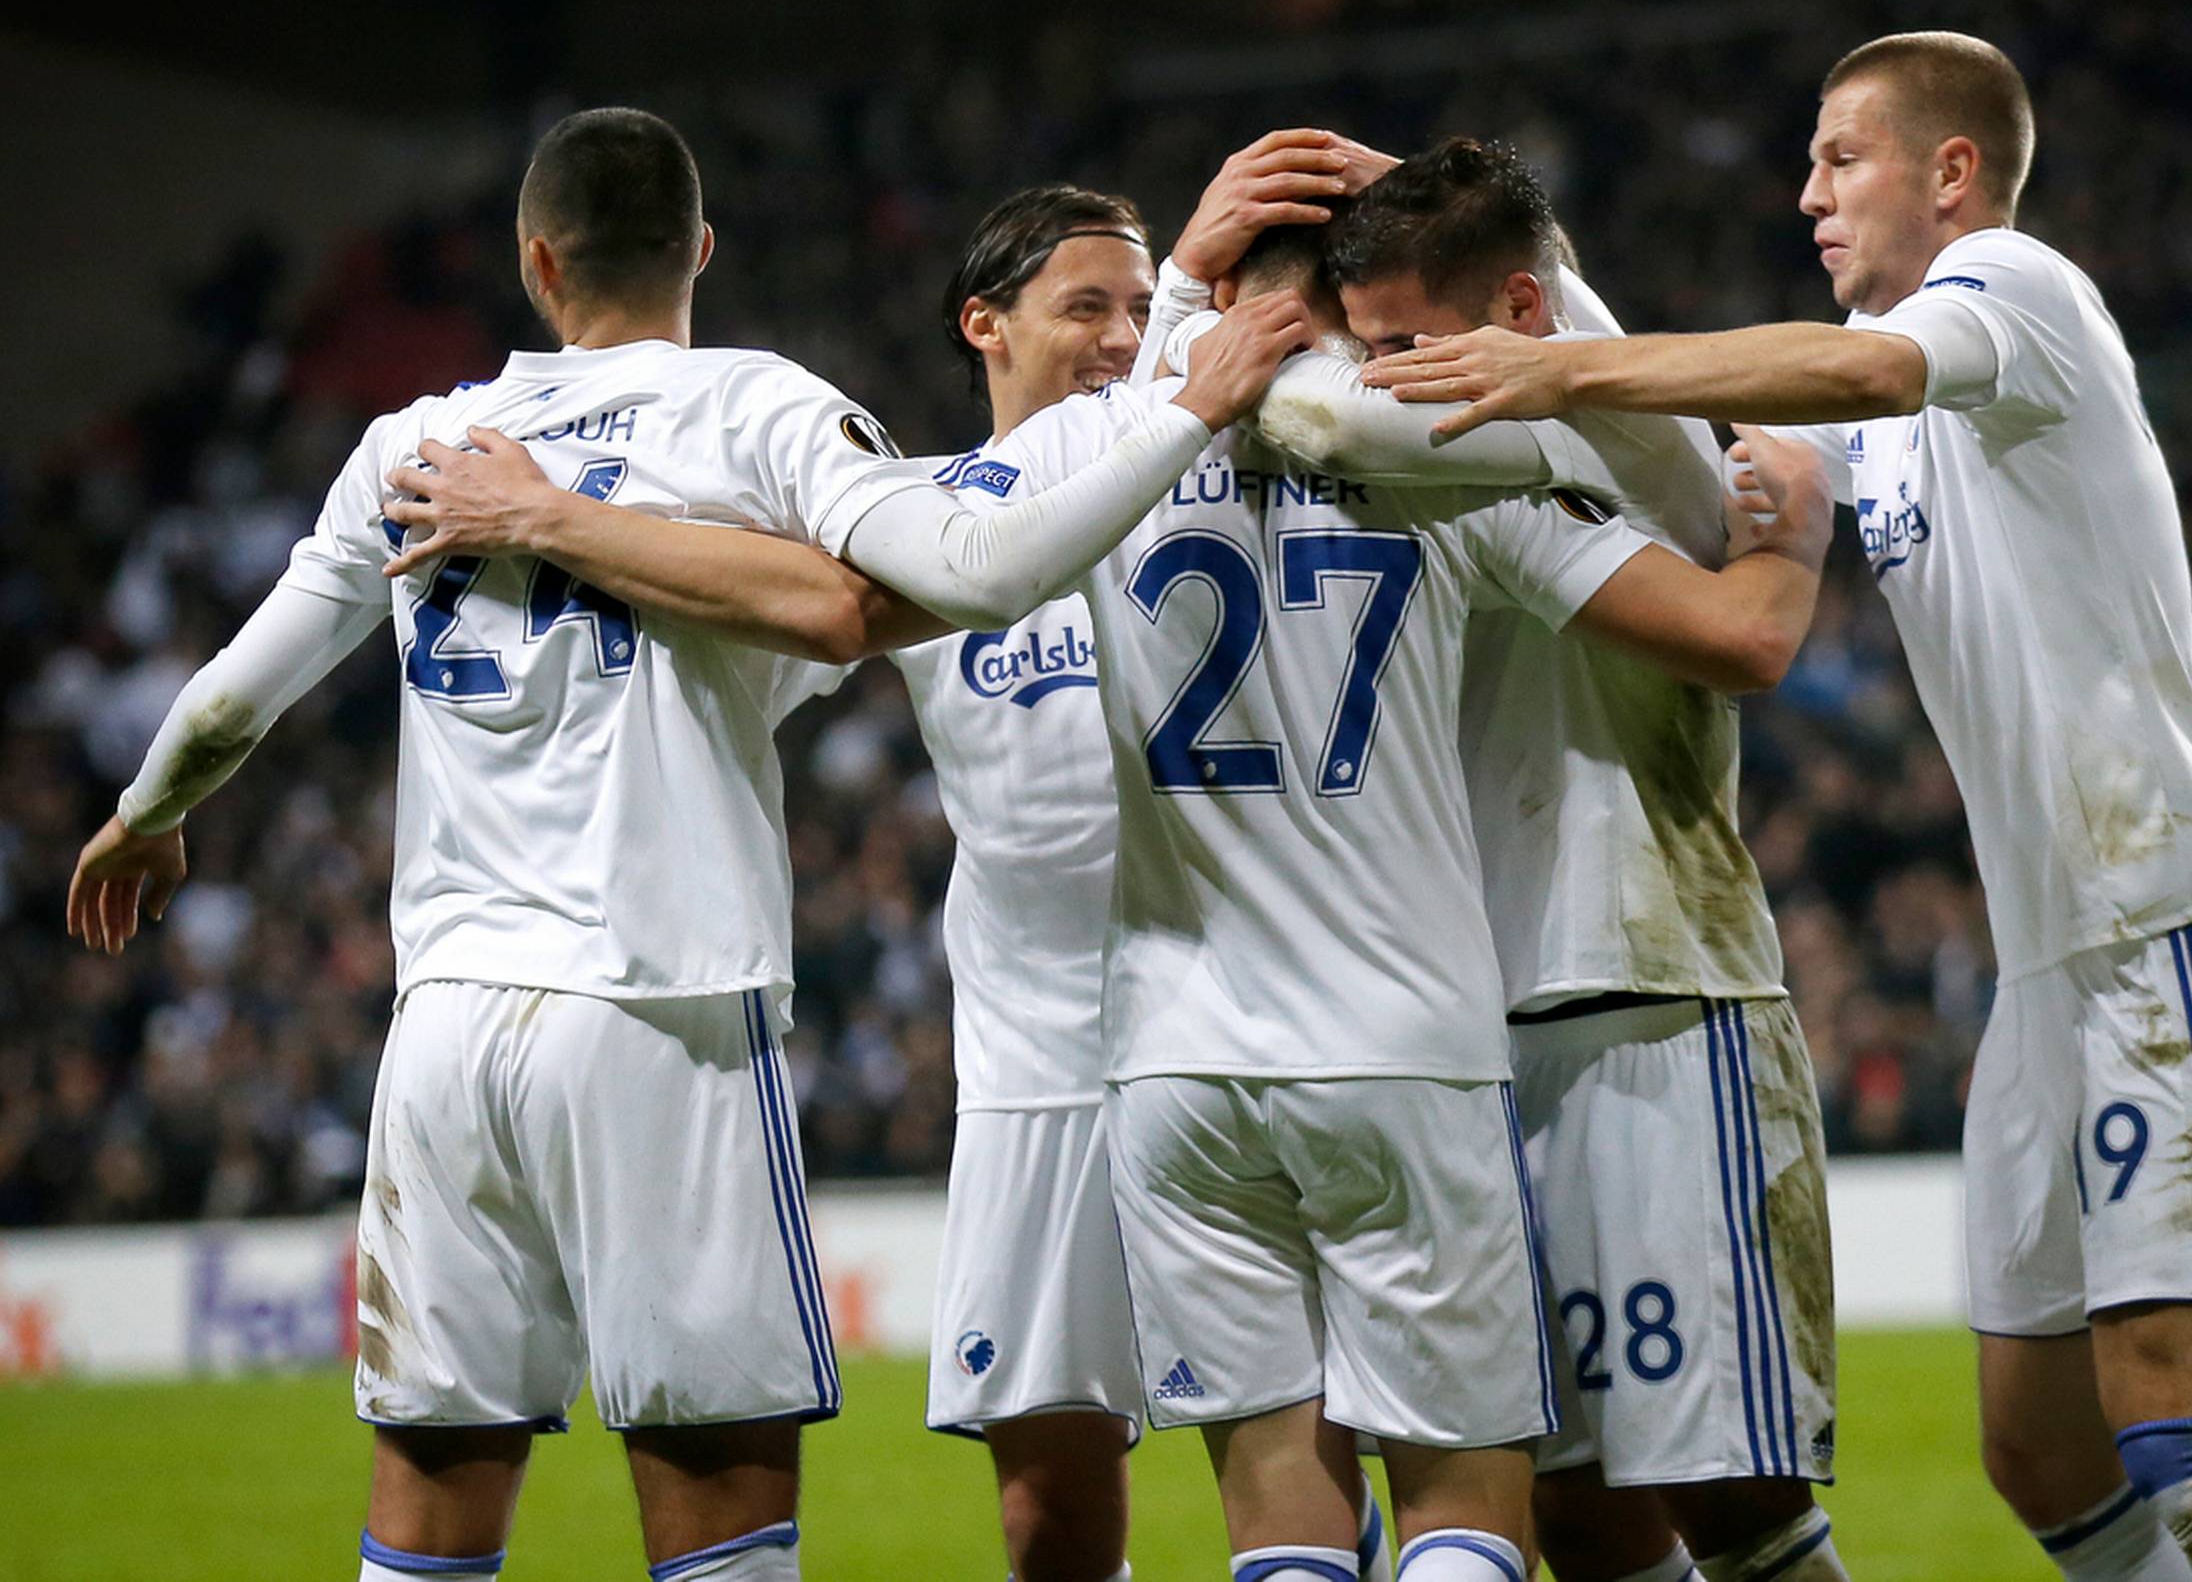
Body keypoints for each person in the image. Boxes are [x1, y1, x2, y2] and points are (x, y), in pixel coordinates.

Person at [64, 106, 1307, 1582]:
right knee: (717, 1498)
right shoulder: (755, 410)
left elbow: (225, 699)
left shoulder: (414, 444)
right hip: (662, 1006)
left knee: (435, 1488)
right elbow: (941, 577)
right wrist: (1182, 401)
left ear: (538, 261)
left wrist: (150, 814)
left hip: (447, 1032)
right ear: (701, 249)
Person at [1361, 32, 2192, 1582]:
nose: (1806, 190)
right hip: (2051, 973)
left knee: (2187, 1439)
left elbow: (1847, 366)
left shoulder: (2015, 291)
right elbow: (1689, 444)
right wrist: (1486, 250)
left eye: (1840, 157)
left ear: (1950, 172)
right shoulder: (1876, 398)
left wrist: (1548, 358)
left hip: (2169, 923)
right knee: (2038, 1450)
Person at [373, 143, 1398, 1582]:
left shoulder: (1216, 473)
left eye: (1138, 308)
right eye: (1087, 306)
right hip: (1039, 1060)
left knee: (1292, 1443)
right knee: (1049, 1506)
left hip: (1239, 1018)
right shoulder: (916, 520)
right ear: (984, 323)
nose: (1120, 339)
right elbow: (778, 646)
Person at [954, 221, 1836, 1582]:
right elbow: (1732, 637)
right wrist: (1791, 540)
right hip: (1402, 1043)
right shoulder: (1457, 471)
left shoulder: (1098, 455)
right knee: (1467, 1506)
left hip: (1174, 1064)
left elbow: (947, 564)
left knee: (1285, 1524)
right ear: (1351, 325)